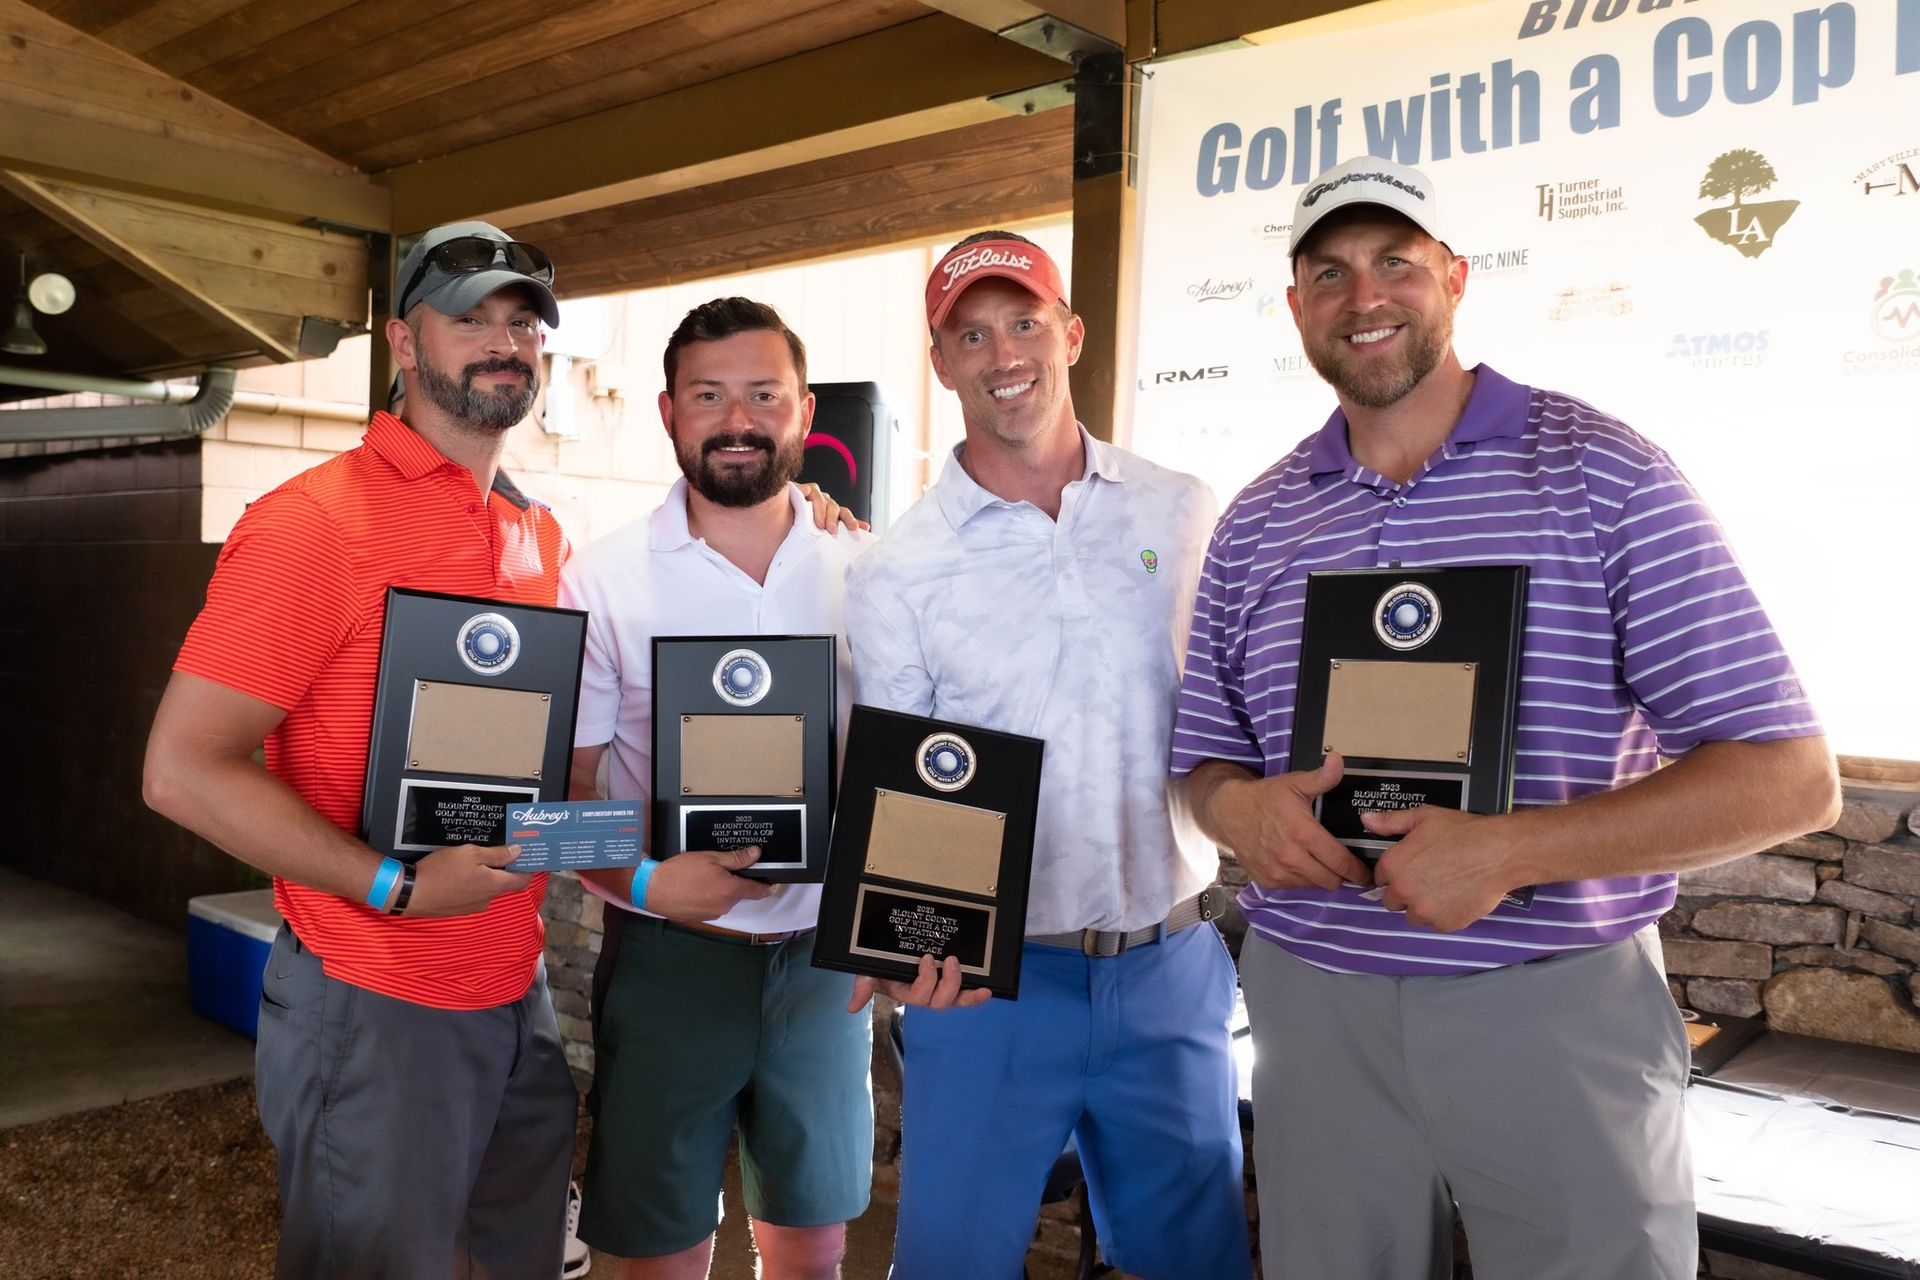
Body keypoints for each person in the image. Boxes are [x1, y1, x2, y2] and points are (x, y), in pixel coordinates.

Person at [1171, 156, 1842, 1280]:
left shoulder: (1601, 473)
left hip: (1552, 997)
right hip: (1317, 1002)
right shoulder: (1257, 520)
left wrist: (1518, 847)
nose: (1364, 296)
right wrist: (1237, 806)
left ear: (1456, 278)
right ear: (1295, 308)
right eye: (1329, 272)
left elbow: (1788, 773)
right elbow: (1202, 759)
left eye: (1397, 262)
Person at [143, 221, 579, 1277]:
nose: (502, 340)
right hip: (377, 1000)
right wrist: (389, 882)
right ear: (401, 338)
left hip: (517, 995)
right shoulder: (313, 526)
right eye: (470, 315)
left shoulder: (535, 532)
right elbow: (182, 769)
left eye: (522, 322)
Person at [844, 233, 1253, 1280]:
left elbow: (1230, 710)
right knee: (949, 1265)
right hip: (989, 992)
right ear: (941, 363)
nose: (1003, 352)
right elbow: (901, 786)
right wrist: (898, 935)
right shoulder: (899, 567)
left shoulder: (1179, 506)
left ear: (1068, 333)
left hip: (1169, 966)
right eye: (970, 333)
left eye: (1024, 320)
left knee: (1195, 1263)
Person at [563, 297, 876, 1280]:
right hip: (669, 960)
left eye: (762, 393)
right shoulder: (603, 577)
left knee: (813, 1251)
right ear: (667, 411)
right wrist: (652, 882)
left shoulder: (867, 568)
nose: (736, 416)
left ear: (804, 409)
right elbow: (548, 814)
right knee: (657, 1256)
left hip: (827, 966)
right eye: (708, 394)